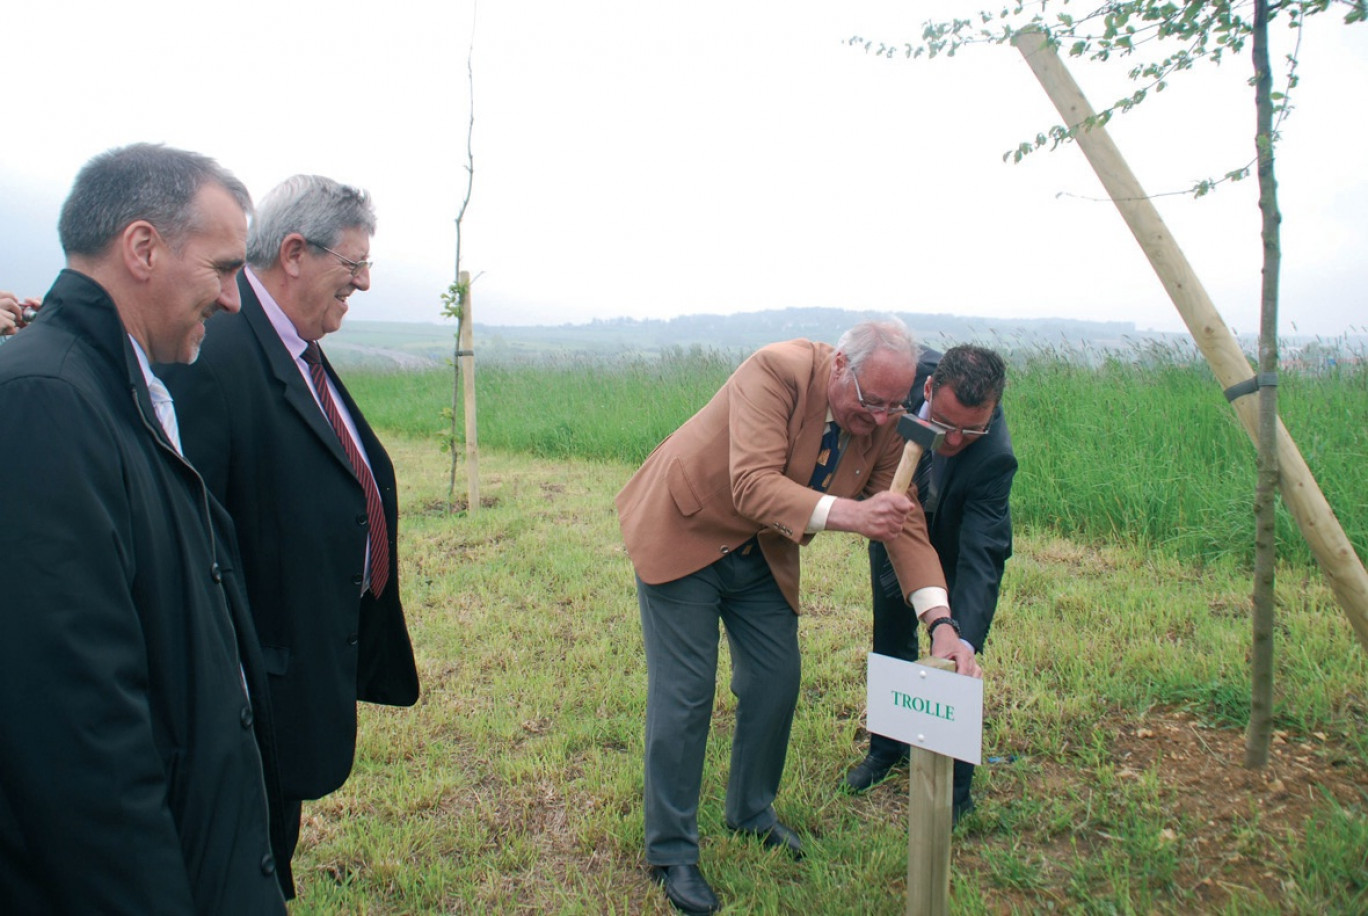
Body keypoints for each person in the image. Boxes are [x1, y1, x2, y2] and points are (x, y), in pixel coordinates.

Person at [0, 143, 286, 913]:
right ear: (143, 248)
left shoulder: (122, 383)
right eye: (224, 269)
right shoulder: (43, 401)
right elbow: (79, 736)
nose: (233, 300)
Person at [616, 319, 982, 915]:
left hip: (762, 548)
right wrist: (851, 515)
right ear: (840, 366)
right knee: (686, 694)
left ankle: (751, 811)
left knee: (775, 679)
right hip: (684, 524)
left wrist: (941, 624)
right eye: (872, 402)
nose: (883, 418)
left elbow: (905, 518)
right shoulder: (776, 370)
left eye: (896, 405)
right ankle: (672, 851)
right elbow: (753, 484)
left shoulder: (886, 421)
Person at [160, 174, 419, 897]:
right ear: (296, 252)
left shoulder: (292, 340)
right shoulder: (216, 351)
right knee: (243, 860)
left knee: (273, 849)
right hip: (249, 691)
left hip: (296, 668)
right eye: (354, 264)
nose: (365, 282)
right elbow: (194, 539)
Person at [841, 344, 1016, 823]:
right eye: (944, 423)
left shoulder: (994, 455)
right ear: (928, 388)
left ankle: (956, 785)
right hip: (894, 518)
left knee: (954, 657)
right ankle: (886, 748)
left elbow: (984, 554)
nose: (956, 440)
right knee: (891, 633)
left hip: (956, 542)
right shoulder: (895, 377)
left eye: (972, 428)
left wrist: (961, 635)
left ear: (993, 409)